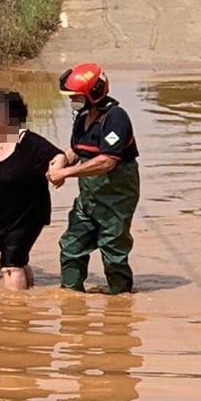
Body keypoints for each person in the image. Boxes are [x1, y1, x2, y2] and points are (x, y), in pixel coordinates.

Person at [48, 63, 141, 294]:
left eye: (77, 96)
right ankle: (70, 299)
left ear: (94, 92)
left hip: (116, 199)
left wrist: (66, 173)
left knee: (114, 253)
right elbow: (77, 150)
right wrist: (61, 159)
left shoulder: (116, 118)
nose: (73, 101)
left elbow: (106, 161)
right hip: (88, 198)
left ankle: (120, 306)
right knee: (71, 246)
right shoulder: (82, 118)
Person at [0, 89, 68, 291]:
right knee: (18, 259)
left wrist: (56, 169)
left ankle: (13, 315)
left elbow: (58, 156)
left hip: (28, 215)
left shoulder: (31, 143)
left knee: (10, 263)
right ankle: (27, 303)